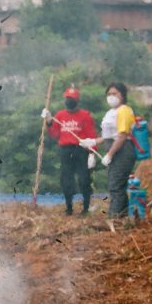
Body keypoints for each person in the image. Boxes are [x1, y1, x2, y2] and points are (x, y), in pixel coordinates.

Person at [85, 82, 137, 217]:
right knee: (116, 184)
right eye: (109, 94)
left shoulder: (124, 110)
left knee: (116, 185)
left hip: (123, 151)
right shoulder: (110, 113)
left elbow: (122, 136)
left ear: (122, 95)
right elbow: (107, 136)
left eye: (115, 93)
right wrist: (93, 141)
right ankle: (122, 215)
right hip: (115, 150)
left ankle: (115, 216)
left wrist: (109, 154)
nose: (111, 96)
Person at [42, 87, 96, 215]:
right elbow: (55, 134)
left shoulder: (85, 115)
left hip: (81, 150)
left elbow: (91, 134)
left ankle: (86, 207)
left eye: (71, 98)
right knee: (66, 179)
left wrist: (92, 153)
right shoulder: (60, 115)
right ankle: (69, 207)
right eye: (67, 98)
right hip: (65, 150)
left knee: (84, 179)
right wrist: (49, 122)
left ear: (76, 100)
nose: (69, 100)